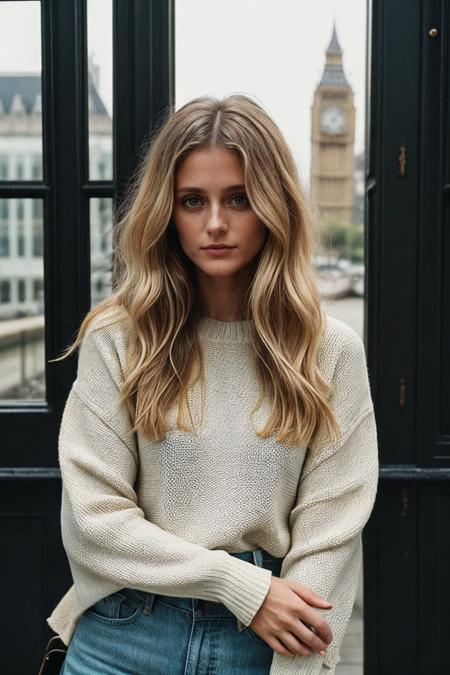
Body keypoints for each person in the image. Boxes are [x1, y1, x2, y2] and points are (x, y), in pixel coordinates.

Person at [46, 94, 379, 674]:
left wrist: (299, 665)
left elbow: (332, 531)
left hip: (265, 647)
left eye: (240, 199)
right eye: (192, 201)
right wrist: (239, 585)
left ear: (273, 206)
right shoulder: (119, 340)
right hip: (126, 636)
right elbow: (93, 519)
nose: (216, 223)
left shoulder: (329, 353)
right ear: (166, 211)